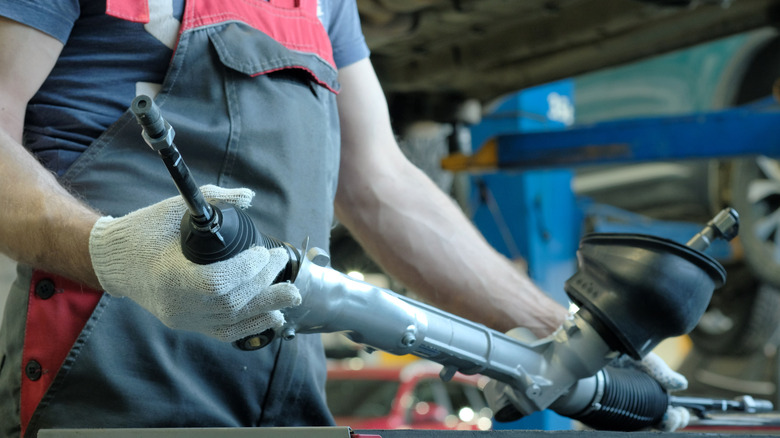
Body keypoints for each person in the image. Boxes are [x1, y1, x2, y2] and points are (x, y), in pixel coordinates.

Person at [0, 1, 683, 437]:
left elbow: (382, 187)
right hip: (109, 389)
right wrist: (114, 251)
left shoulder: (327, 3)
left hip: (285, 400)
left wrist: (559, 335)